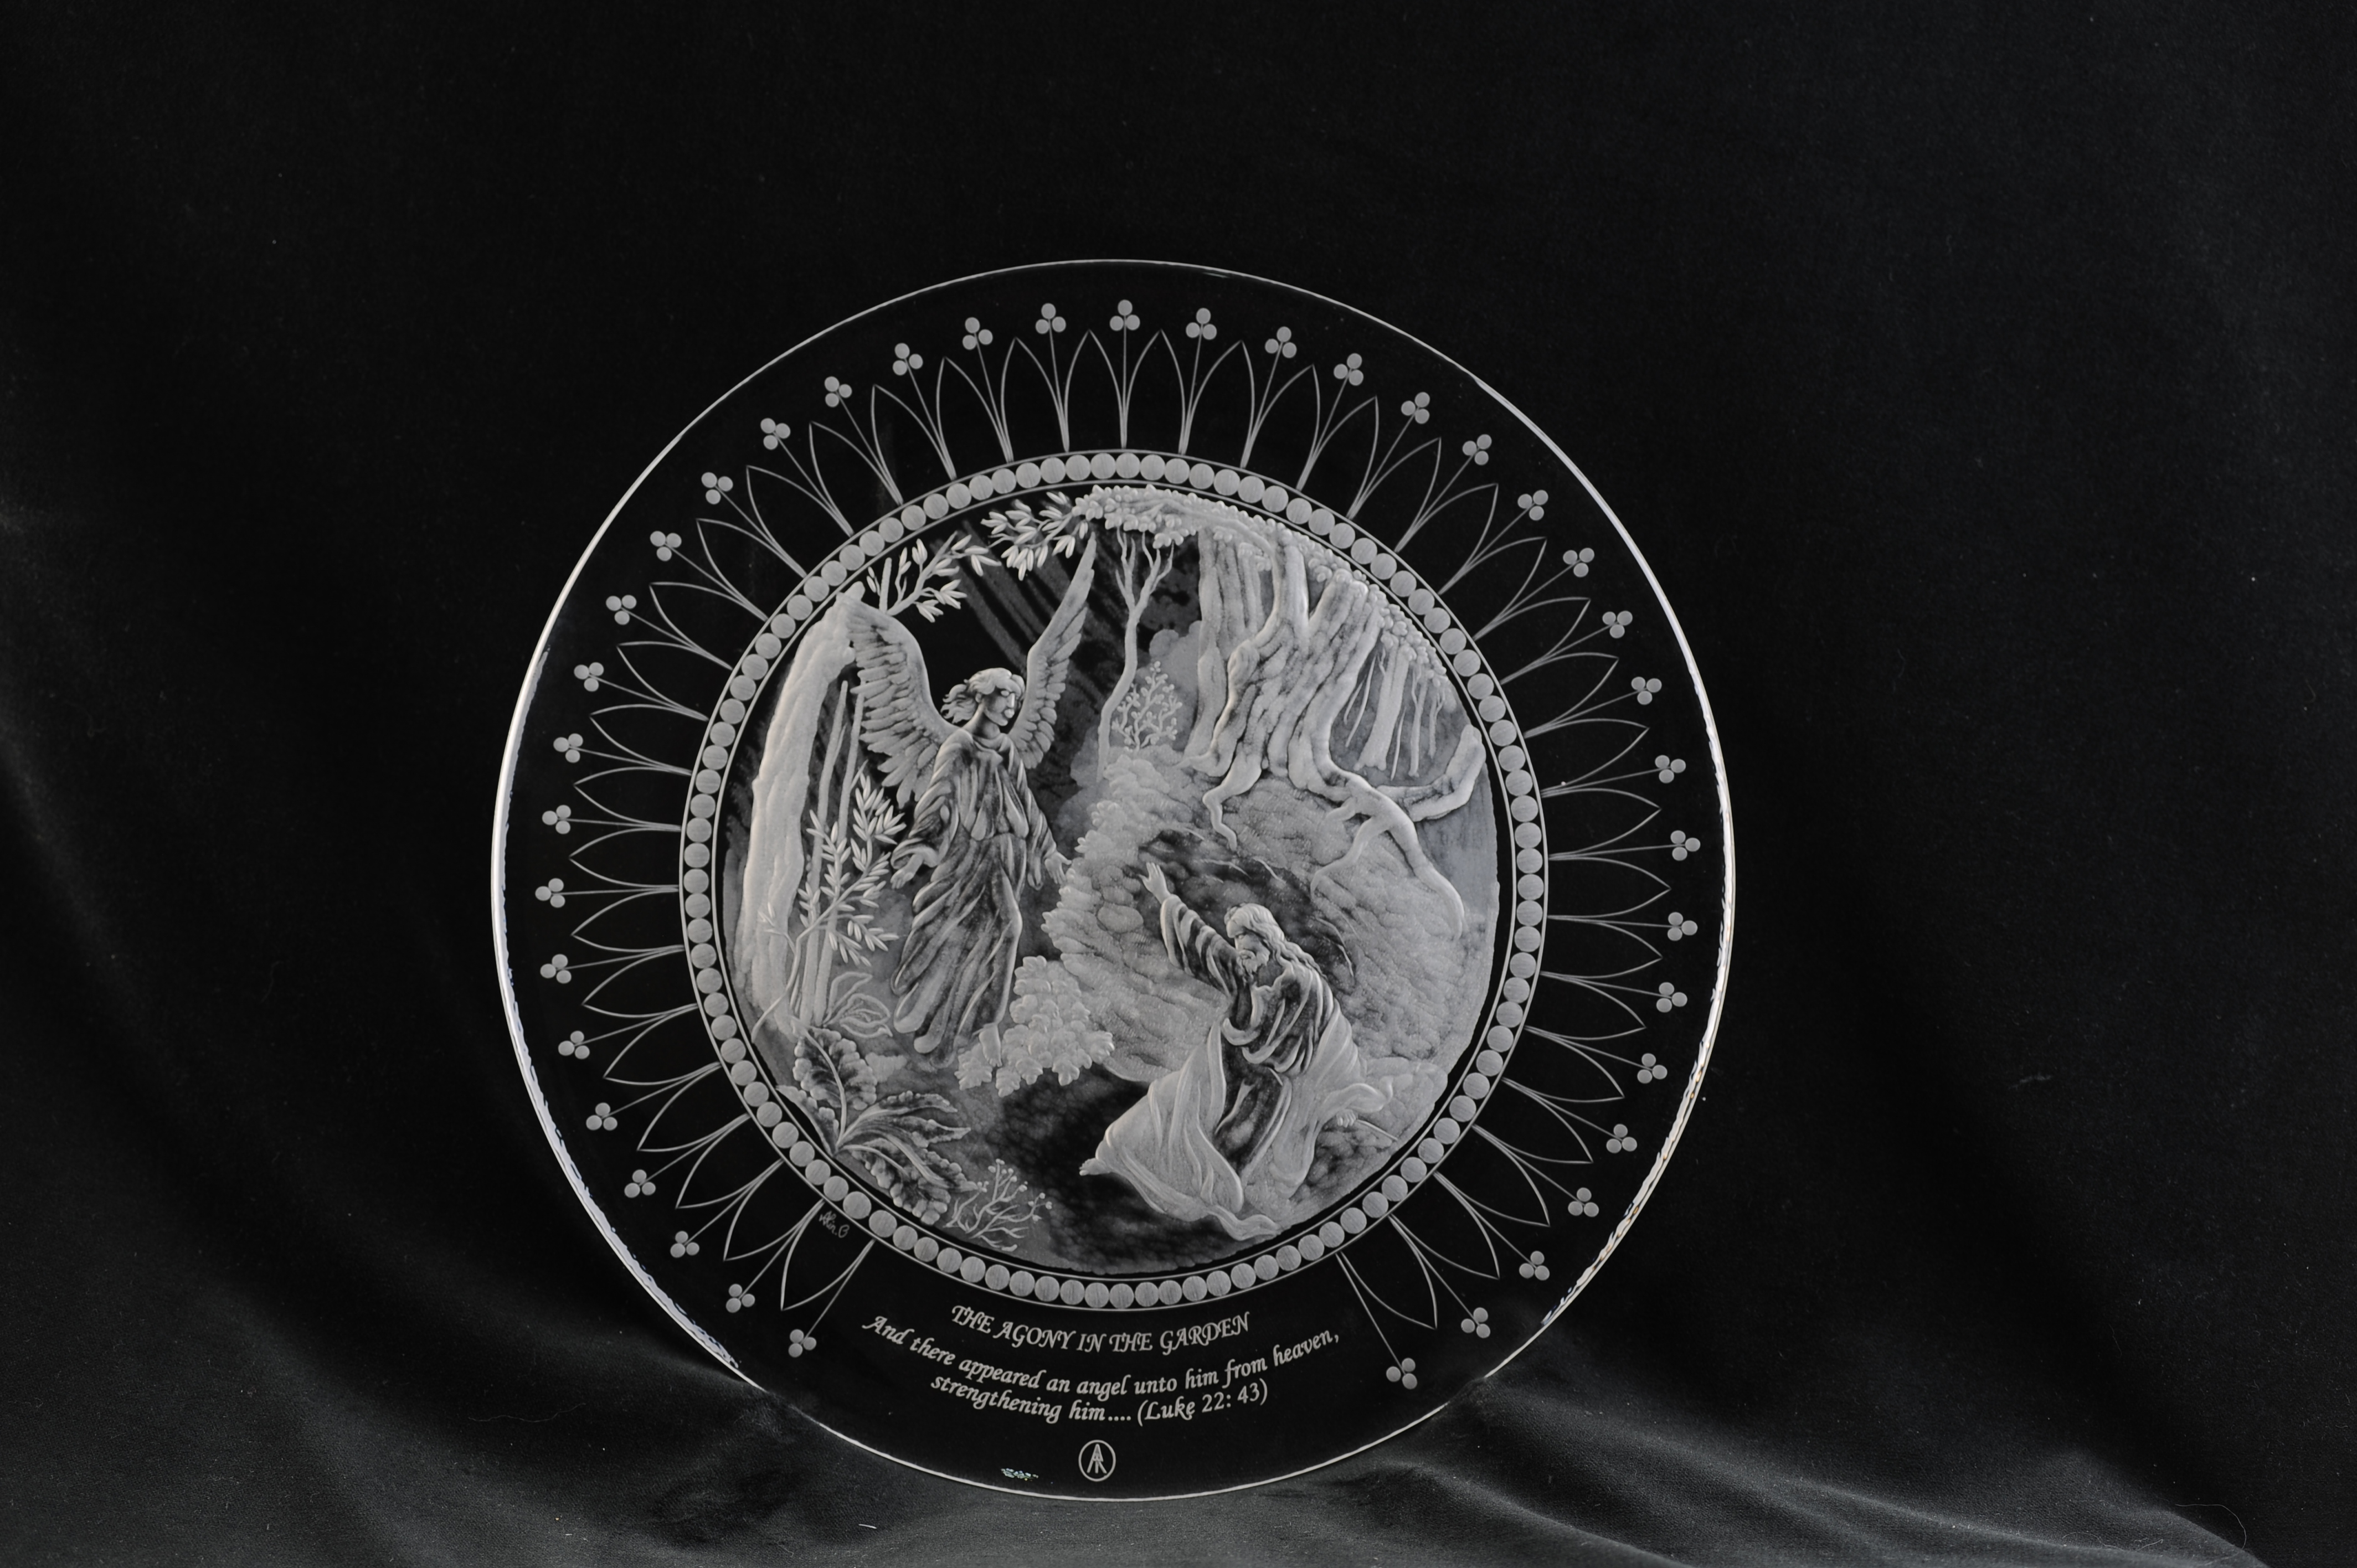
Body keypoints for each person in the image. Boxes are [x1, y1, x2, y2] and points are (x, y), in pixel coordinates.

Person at [1082, 863, 1387, 1238]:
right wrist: (1165, 897)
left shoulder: (1306, 984)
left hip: (1265, 1087)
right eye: (1239, 947)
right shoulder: (1244, 970)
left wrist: (1341, 1099)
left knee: (1229, 1146)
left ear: (1268, 940)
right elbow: (1208, 946)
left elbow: (1333, 1038)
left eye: (1248, 945)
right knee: (1166, 1105)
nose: (1243, 954)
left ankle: (1208, 1200)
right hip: (1219, 1064)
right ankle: (1115, 1157)